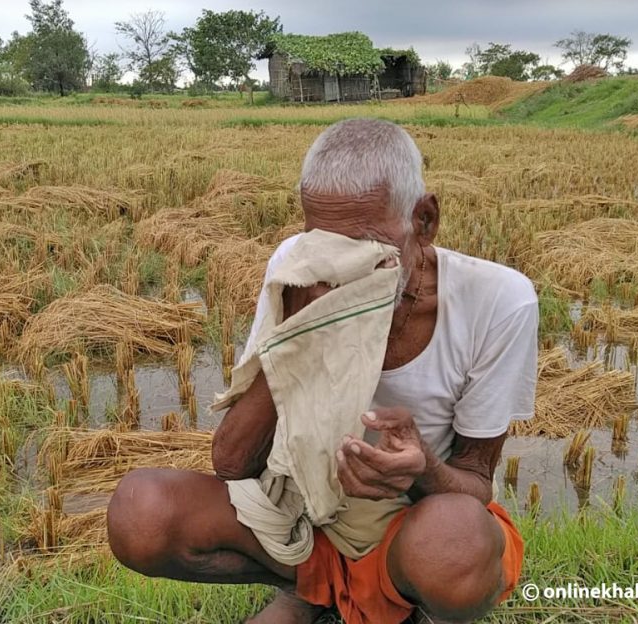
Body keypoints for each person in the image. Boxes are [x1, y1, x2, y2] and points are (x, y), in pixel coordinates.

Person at [106, 118, 539, 624]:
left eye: (364, 250)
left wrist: (422, 468)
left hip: (411, 519)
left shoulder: (499, 300)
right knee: (142, 513)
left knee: (453, 545)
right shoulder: (298, 266)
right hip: (305, 511)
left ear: (423, 220)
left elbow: (476, 482)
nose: (338, 268)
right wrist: (297, 334)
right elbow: (231, 462)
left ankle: (404, 600)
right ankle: (311, 587)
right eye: (324, 245)